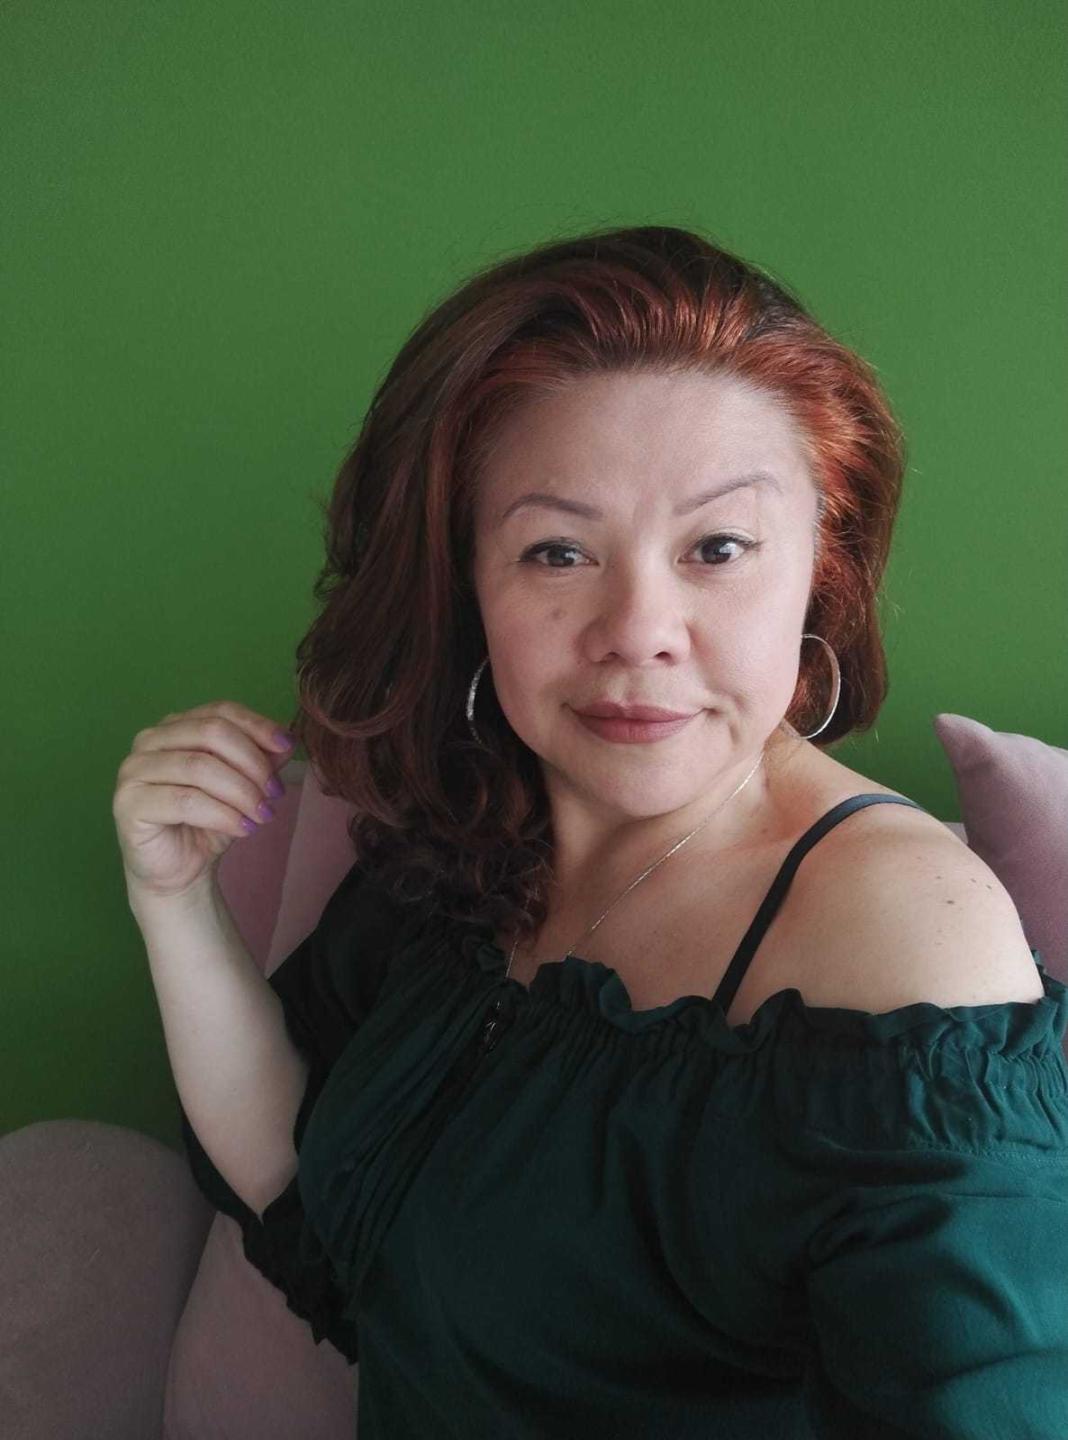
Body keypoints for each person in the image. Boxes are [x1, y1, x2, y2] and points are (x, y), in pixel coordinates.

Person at [113, 225, 1068, 1438]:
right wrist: (172, 900)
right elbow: (302, 1186)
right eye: (558, 552)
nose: (639, 629)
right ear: (467, 582)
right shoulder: (475, 825)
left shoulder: (904, 940)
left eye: (717, 549)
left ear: (820, 569)